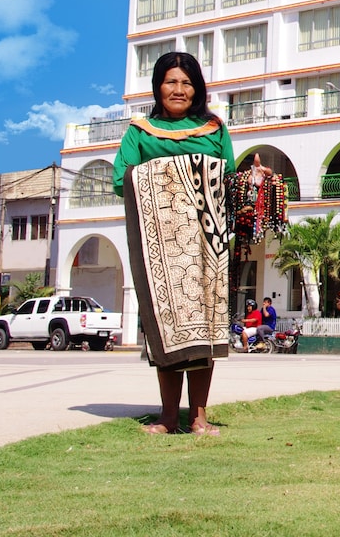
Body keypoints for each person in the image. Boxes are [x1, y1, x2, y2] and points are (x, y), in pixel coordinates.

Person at [114, 51, 235, 436]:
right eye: (171, 81)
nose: (179, 89)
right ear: (157, 86)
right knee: (164, 327)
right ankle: (168, 417)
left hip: (207, 244)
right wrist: (184, 174)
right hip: (160, 249)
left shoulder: (215, 128)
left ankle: (198, 416)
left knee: (206, 327)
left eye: (186, 82)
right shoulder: (139, 132)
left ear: (197, 88)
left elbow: (227, 175)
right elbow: (122, 178)